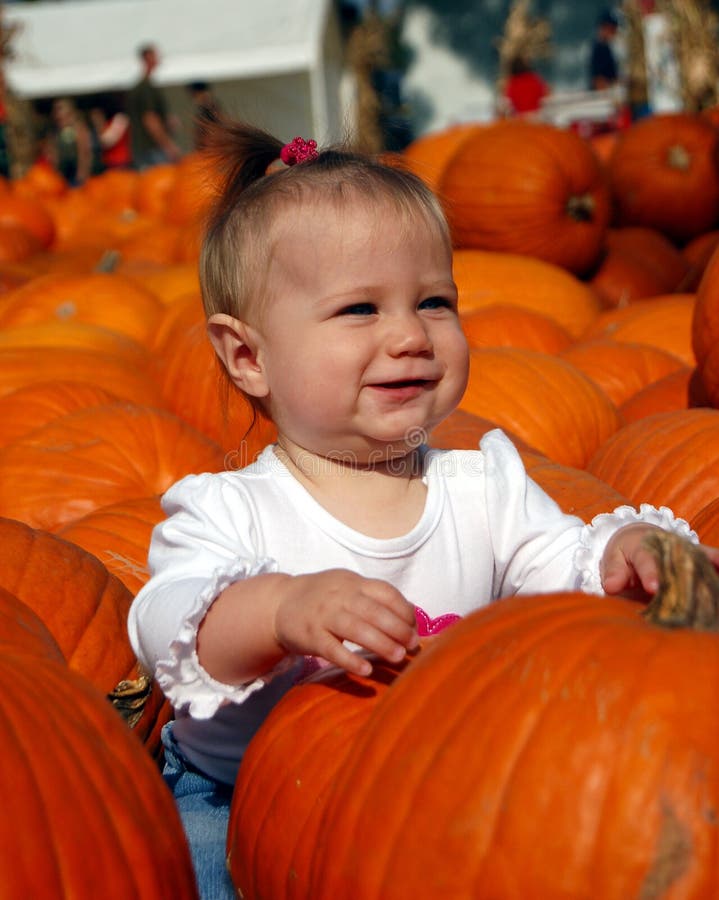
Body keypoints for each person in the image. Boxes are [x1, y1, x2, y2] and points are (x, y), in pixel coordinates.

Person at [127, 118, 719, 899]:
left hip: (435, 777)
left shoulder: (484, 487)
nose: (410, 335)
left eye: (434, 301)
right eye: (359, 311)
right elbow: (165, 623)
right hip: (243, 797)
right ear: (248, 356)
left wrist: (619, 558)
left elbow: (562, 570)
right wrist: (278, 609)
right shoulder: (229, 508)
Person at [127, 43, 182, 169]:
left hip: (143, 148)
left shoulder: (142, 87)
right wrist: (169, 146)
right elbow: (150, 119)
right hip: (152, 148)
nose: (158, 59)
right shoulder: (146, 88)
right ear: (147, 58)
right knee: (161, 184)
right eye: (155, 55)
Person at [46, 97, 93, 186]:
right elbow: (52, 152)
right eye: (55, 110)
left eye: (60, 109)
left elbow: (84, 152)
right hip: (60, 177)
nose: (57, 114)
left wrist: (82, 174)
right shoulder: (56, 131)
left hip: (76, 177)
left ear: (70, 111)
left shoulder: (79, 128)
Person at [89, 92, 132, 170]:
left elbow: (107, 141)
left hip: (120, 162)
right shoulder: (109, 122)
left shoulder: (120, 119)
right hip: (110, 162)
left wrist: (99, 123)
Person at [589, 9, 620, 91]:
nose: (614, 33)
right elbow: (599, 80)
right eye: (611, 29)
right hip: (602, 96)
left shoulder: (608, 47)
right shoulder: (599, 48)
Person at [186, 81, 221, 149]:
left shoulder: (211, 108)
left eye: (194, 95)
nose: (194, 99)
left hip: (210, 146)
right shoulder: (204, 108)